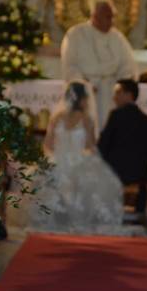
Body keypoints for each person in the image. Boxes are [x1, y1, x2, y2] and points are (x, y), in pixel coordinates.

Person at [26, 81, 126, 233]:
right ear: (82, 99)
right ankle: (79, 221)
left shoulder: (56, 118)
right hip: (79, 161)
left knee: (47, 178)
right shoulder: (86, 119)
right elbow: (90, 147)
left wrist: (58, 157)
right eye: (86, 98)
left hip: (58, 160)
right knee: (102, 182)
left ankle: (58, 220)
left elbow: (48, 145)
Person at [60, 0, 137, 130]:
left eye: (113, 16)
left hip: (111, 94)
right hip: (87, 94)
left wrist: (120, 87)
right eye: (108, 17)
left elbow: (128, 66)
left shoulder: (118, 38)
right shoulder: (76, 34)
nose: (112, 21)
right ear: (95, 16)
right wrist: (84, 86)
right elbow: (70, 65)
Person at [98, 79, 147, 213]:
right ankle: (139, 214)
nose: (114, 97)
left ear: (129, 94)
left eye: (118, 92)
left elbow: (103, 147)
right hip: (140, 173)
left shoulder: (115, 116)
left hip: (115, 172)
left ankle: (106, 214)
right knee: (144, 179)